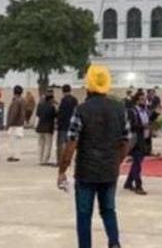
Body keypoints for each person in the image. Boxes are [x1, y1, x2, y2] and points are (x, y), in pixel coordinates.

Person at [58, 65, 129, 248]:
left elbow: (71, 142)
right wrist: (116, 161)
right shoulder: (120, 109)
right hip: (109, 171)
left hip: (85, 172)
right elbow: (125, 142)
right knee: (108, 210)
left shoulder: (81, 110)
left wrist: (62, 170)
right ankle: (114, 243)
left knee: (84, 215)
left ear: (88, 85)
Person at [123, 91, 149, 195]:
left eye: (144, 99)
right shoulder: (132, 111)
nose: (144, 101)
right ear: (137, 100)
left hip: (143, 138)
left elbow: (147, 122)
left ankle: (129, 182)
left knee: (138, 161)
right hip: (135, 139)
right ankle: (138, 185)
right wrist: (143, 126)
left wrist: (155, 115)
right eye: (142, 99)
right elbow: (132, 126)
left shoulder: (144, 111)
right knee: (137, 162)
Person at [56, 85, 79, 166]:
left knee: (60, 144)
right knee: (69, 144)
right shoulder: (74, 100)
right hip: (72, 125)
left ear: (63, 91)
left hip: (62, 125)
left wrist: (57, 122)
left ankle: (60, 161)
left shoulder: (63, 100)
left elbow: (60, 113)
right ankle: (67, 161)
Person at [36, 90, 58, 166]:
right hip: (48, 128)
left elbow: (38, 114)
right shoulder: (52, 106)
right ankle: (45, 160)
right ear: (51, 99)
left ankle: (40, 159)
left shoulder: (40, 105)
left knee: (40, 144)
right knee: (48, 145)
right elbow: (56, 115)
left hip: (40, 127)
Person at [6, 85, 25, 162]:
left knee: (13, 141)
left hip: (15, 124)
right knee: (17, 141)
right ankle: (15, 155)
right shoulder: (23, 100)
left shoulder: (16, 101)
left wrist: (8, 124)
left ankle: (14, 155)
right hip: (20, 124)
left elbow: (14, 113)